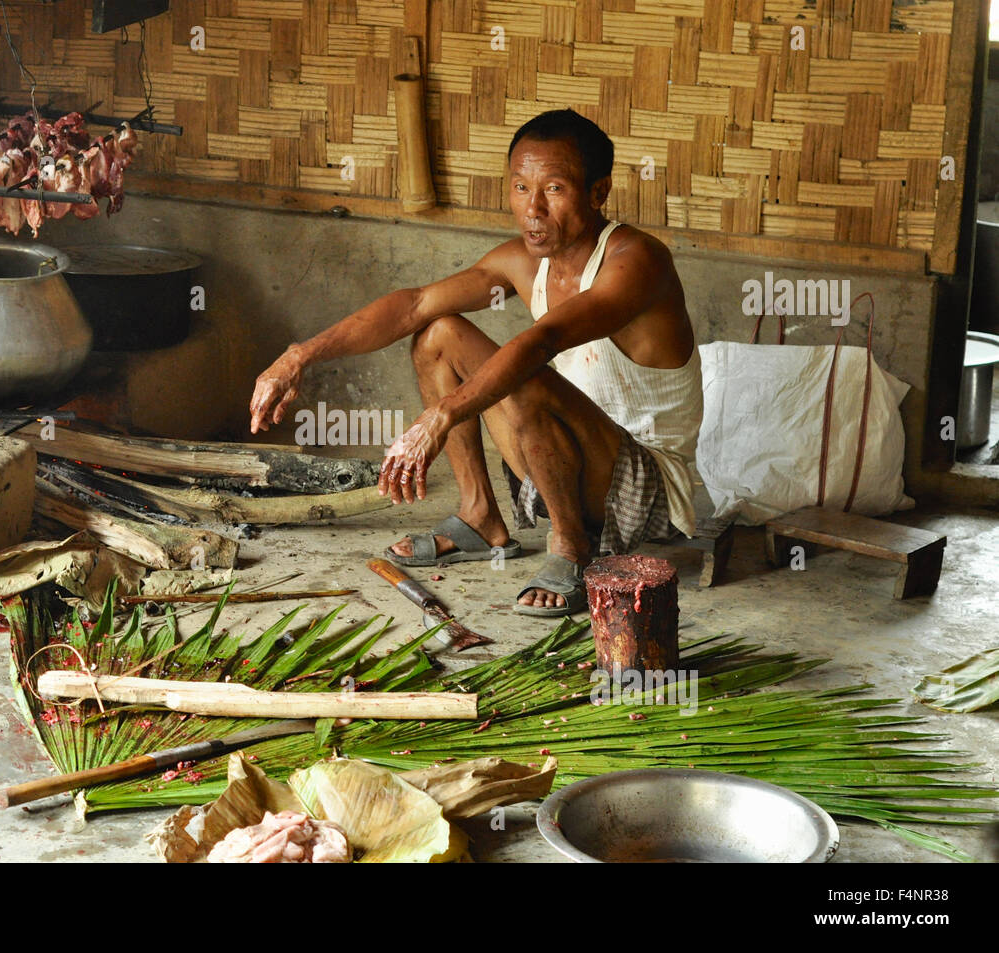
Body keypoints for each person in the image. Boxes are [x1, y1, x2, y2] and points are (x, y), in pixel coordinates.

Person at [249, 109, 702, 617]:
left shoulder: (637, 260)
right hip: (558, 463)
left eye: (553, 189)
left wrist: (443, 415)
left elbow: (543, 340)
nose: (532, 209)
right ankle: (480, 514)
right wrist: (300, 355)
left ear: (598, 193)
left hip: (647, 492)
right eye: (519, 187)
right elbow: (416, 304)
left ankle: (571, 548)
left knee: (527, 374)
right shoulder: (524, 260)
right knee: (437, 334)